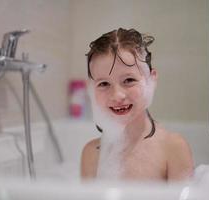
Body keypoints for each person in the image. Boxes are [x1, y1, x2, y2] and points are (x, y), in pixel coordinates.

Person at [80, 28, 194, 181]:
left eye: (129, 80)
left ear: (151, 79)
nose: (117, 95)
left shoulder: (172, 148)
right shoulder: (91, 154)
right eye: (104, 83)